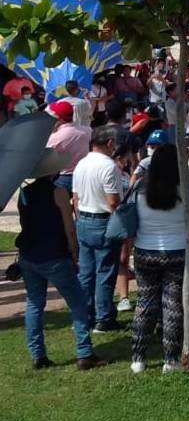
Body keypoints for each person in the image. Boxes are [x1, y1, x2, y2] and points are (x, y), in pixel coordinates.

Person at [16, 149, 107, 370]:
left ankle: (38, 354)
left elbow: (24, 222)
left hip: (29, 255)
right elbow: (69, 227)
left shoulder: (24, 193)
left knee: (34, 303)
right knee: (77, 302)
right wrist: (74, 253)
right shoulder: (57, 193)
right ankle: (84, 352)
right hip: (54, 255)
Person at [130, 144, 189, 374]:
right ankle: (170, 359)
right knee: (173, 306)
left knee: (144, 304)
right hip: (178, 253)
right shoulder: (185, 190)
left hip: (144, 252)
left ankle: (138, 358)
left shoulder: (139, 189)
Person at [71, 126, 123, 332]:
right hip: (102, 221)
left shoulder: (81, 164)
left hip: (83, 218)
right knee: (105, 272)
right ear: (110, 143)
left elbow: (75, 198)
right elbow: (113, 202)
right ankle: (104, 317)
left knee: (86, 272)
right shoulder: (109, 167)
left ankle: (85, 315)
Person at [46, 100, 91, 195]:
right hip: (85, 176)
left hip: (64, 178)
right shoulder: (88, 131)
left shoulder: (55, 137)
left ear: (59, 119)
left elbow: (46, 157)